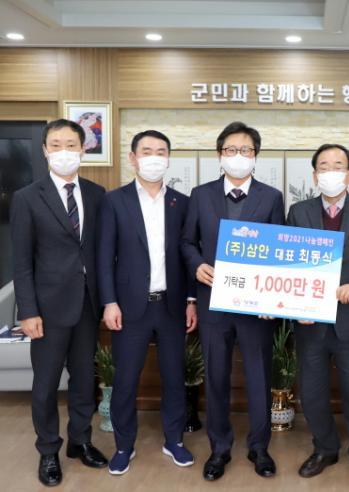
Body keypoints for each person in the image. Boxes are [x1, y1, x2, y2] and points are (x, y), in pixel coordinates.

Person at [181, 121, 285, 481]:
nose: (238, 156)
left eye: (246, 150)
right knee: (216, 377)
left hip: (256, 305)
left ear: (255, 156)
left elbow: (279, 249)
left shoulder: (271, 197)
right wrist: (197, 265)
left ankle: (260, 447)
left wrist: (273, 298)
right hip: (213, 301)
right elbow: (187, 242)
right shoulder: (200, 194)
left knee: (258, 377)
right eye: (231, 150)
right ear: (219, 154)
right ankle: (219, 448)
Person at [10, 119, 108, 486]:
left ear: (83, 149)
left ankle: (80, 441)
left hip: (87, 305)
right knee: (47, 383)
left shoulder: (97, 194)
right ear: (45, 150)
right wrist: (28, 311)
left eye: (71, 144)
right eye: (56, 144)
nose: (64, 151)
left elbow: (100, 251)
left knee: (84, 380)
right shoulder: (27, 197)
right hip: (47, 309)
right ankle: (49, 450)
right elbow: (21, 262)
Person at [97, 130, 197, 475]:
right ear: (133, 158)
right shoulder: (114, 201)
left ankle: (174, 440)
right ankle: (124, 446)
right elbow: (104, 257)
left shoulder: (182, 202)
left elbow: (188, 255)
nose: (154, 157)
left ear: (168, 158)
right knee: (126, 380)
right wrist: (109, 302)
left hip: (171, 306)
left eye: (161, 151)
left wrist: (191, 300)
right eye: (147, 151)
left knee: (174, 377)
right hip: (129, 308)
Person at [287, 144, 349, 488]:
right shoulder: (298, 211)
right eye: (324, 166)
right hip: (309, 322)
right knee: (312, 392)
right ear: (315, 175)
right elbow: (289, 262)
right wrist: (296, 305)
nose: (331, 172)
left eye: (338, 166)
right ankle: (325, 448)